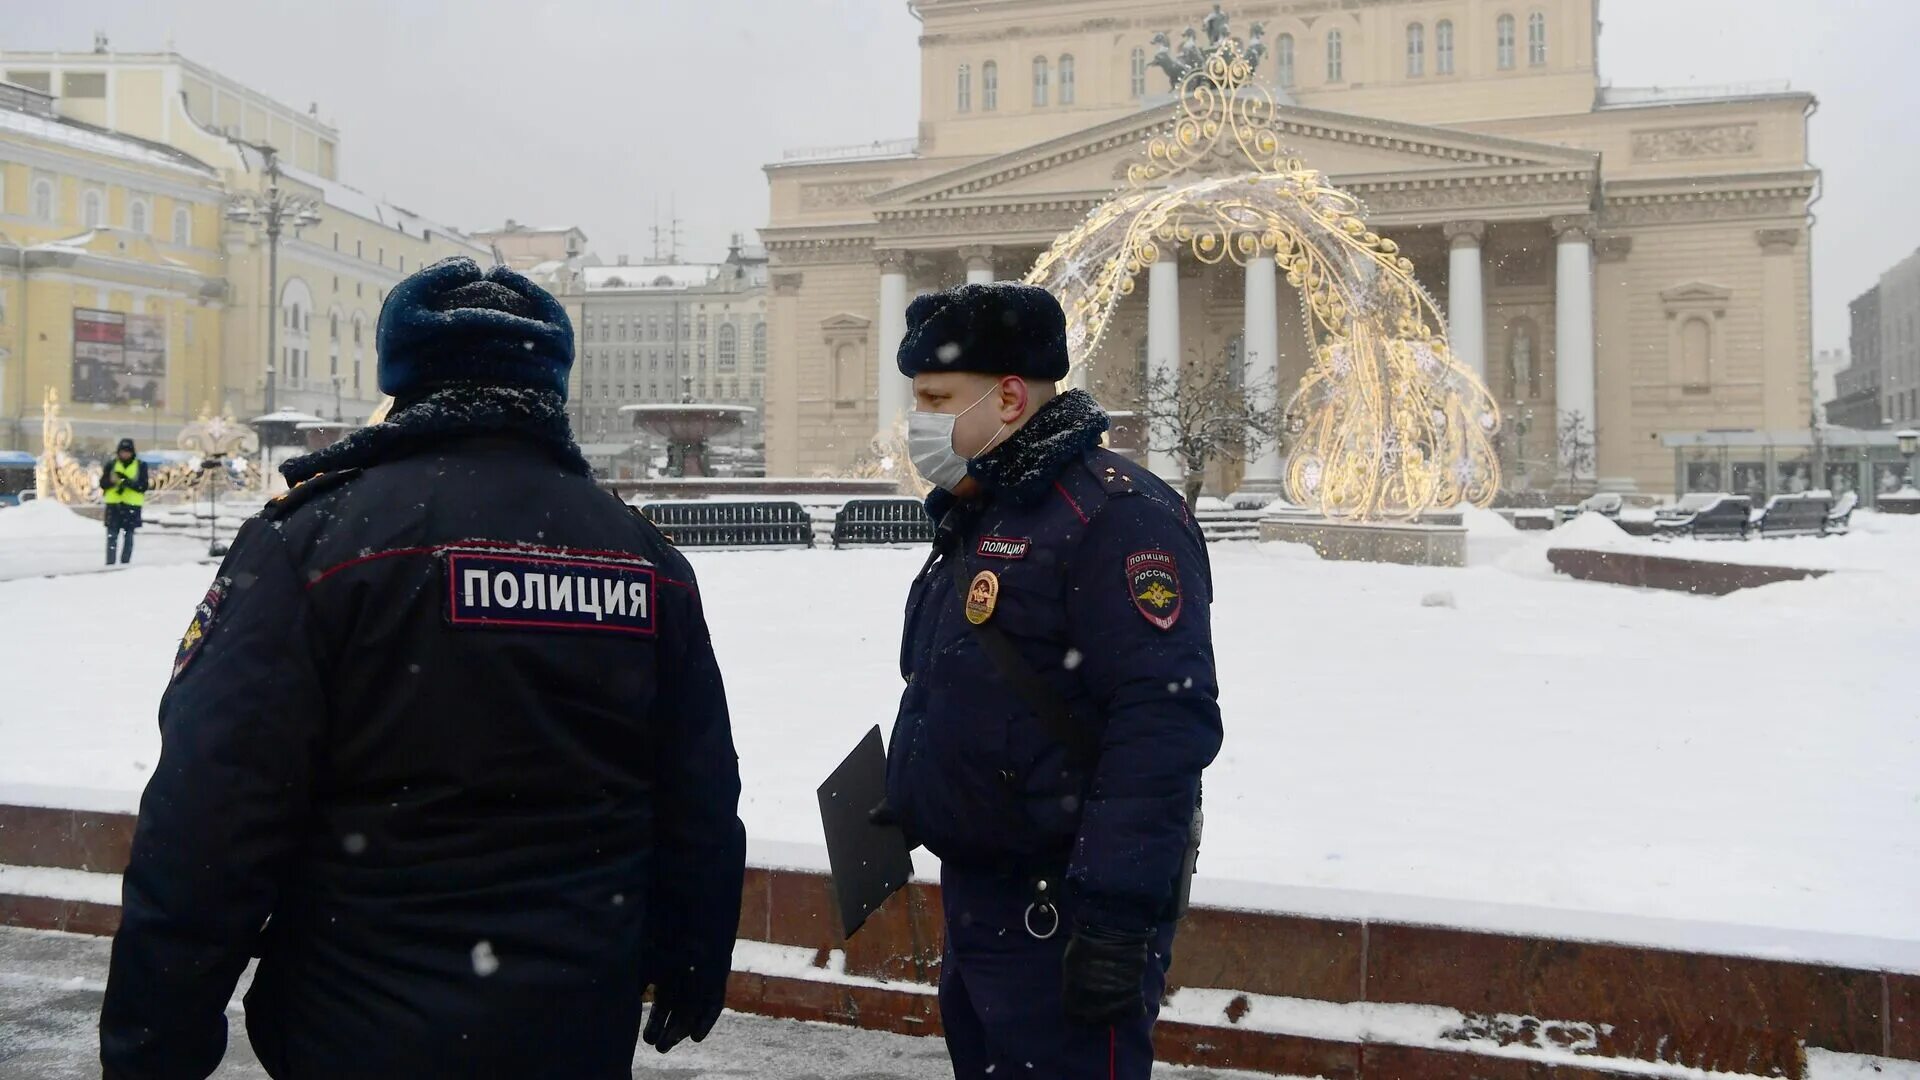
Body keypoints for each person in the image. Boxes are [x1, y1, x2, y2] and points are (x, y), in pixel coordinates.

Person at [100, 257, 747, 1079]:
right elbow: (698, 788)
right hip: (575, 1018)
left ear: (401, 378)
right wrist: (693, 948)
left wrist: (155, 1038)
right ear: (551, 383)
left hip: (358, 1018)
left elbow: (210, 811)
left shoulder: (319, 546)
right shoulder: (643, 558)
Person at [881, 282, 1222, 1079]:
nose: (918, 422)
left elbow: (1161, 722)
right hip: (984, 899)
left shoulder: (1114, 516)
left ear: (1007, 398)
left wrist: (1113, 918)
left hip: (1062, 912)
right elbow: (953, 687)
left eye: (935, 398)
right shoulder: (986, 511)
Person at [100, 438, 148, 565]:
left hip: (132, 506)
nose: (125, 454)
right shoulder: (111, 465)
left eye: (127, 452)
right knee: (112, 537)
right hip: (114, 505)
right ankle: (110, 563)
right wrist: (112, 481)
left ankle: (125, 563)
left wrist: (126, 482)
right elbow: (103, 483)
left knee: (129, 537)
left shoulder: (140, 465)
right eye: (122, 451)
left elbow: (143, 486)